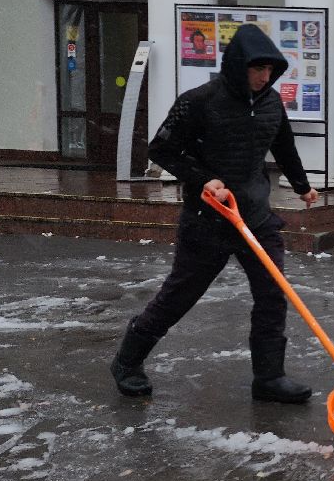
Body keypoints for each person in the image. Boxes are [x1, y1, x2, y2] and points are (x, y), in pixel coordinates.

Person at [110, 25, 319, 403]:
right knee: (181, 295)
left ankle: (269, 377)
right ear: (239, 65)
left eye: (270, 70)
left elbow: (284, 146)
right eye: (258, 69)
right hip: (208, 222)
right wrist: (205, 179)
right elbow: (162, 149)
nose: (264, 77)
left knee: (273, 295)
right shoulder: (201, 101)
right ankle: (127, 361)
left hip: (255, 216)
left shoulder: (271, 103)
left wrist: (302, 186)